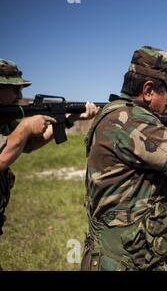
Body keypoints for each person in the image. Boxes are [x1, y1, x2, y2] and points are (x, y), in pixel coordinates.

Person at [81, 46, 167, 271]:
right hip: (122, 261)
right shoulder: (135, 122)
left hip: (118, 255)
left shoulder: (118, 115)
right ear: (148, 90)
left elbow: (160, 154)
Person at [0, 59, 98, 240]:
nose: (19, 95)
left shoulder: (4, 122)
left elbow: (27, 145)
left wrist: (70, 119)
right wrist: (27, 126)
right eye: (15, 89)